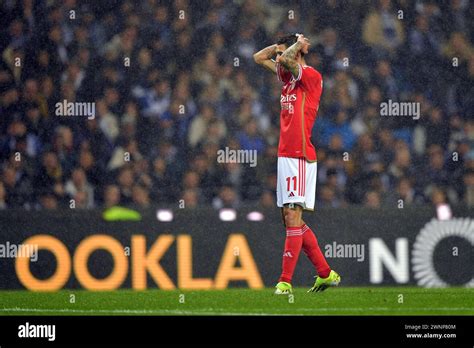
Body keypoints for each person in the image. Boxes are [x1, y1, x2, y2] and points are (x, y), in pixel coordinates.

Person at [254, 33, 340, 294]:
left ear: (298, 52)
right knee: (291, 220)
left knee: (292, 215)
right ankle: (325, 273)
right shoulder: (287, 79)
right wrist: (282, 47)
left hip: (301, 155)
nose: (279, 58)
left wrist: (293, 47)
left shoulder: (310, 77)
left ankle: (284, 281)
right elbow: (258, 57)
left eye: (284, 53)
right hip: (285, 155)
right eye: (278, 54)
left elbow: (289, 59)